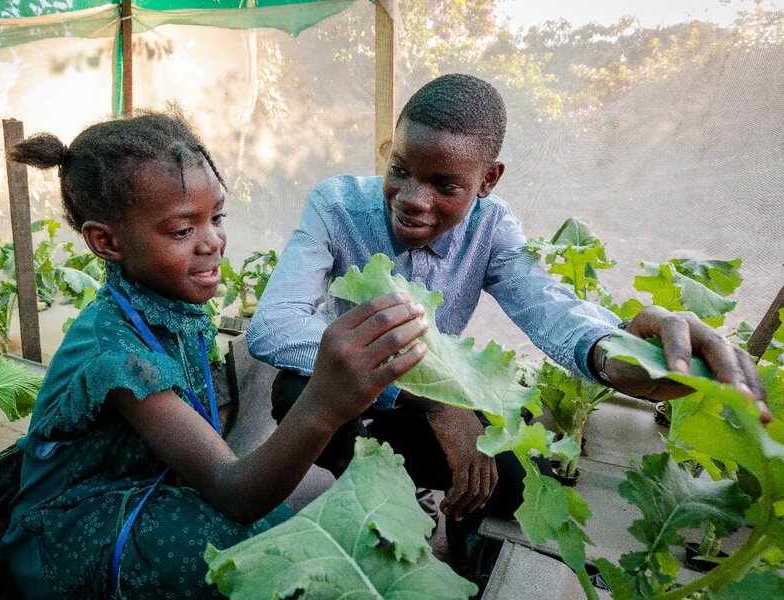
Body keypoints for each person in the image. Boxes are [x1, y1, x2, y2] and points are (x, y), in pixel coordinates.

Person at [247, 73, 770, 572]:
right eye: (401, 170)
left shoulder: (492, 229)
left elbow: (550, 307)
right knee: (296, 391)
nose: (412, 199)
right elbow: (273, 326)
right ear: (389, 151)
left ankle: (457, 521)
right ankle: (375, 491)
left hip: (434, 401)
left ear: (488, 180)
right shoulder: (335, 205)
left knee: (516, 483)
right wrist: (432, 395)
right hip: (365, 401)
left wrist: (618, 358)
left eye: (445, 185)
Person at [0, 111, 430, 599]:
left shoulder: (168, 307)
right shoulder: (114, 352)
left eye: (217, 217)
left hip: (148, 493)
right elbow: (235, 491)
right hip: (72, 534)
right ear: (107, 242)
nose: (212, 242)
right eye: (182, 231)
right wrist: (326, 403)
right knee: (262, 560)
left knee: (289, 537)